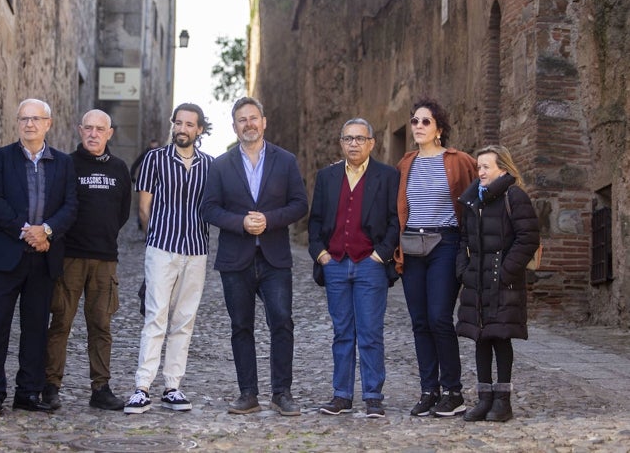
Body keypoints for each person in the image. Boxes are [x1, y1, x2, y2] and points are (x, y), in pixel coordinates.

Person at [201, 96, 308, 417]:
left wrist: (269, 220)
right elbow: (209, 208)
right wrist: (241, 223)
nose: (248, 124)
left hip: (275, 258)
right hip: (236, 259)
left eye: (253, 118)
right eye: (241, 120)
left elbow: (300, 204)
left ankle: (281, 393)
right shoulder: (220, 164)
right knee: (240, 327)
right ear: (234, 127)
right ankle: (248, 393)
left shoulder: (285, 161)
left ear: (264, 122)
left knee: (282, 323)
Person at [0, 98, 78, 416]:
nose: (29, 124)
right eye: (24, 119)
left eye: (36, 119)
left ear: (48, 123)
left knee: (35, 329)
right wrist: (26, 231)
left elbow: (71, 206)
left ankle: (28, 392)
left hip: (43, 258)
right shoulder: (1, 157)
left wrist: (46, 231)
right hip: (4, 255)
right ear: (17, 123)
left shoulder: (63, 163)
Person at [124, 103, 214, 414]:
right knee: (156, 317)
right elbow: (144, 209)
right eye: (179, 123)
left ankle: (173, 386)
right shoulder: (154, 160)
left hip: (197, 250)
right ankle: (142, 387)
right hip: (162, 248)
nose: (183, 129)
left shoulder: (210, 166)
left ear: (199, 130)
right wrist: (158, 240)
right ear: (172, 125)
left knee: (185, 320)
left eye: (190, 124)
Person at [308, 118, 400, 418]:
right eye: (348, 139)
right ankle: (342, 395)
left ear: (371, 143)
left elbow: (395, 220)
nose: (354, 144)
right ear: (341, 143)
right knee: (342, 333)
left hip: (369, 265)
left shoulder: (387, 176)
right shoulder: (327, 176)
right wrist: (321, 254)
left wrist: (380, 255)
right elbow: (315, 221)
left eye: (360, 139)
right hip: (334, 263)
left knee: (371, 332)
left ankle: (373, 395)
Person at [43, 109, 132, 411]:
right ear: (80, 130)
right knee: (60, 323)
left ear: (110, 133)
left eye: (100, 129)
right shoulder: (65, 164)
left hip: (105, 260)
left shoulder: (120, 169)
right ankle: (51, 385)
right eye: (88, 128)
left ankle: (101, 388)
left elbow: (121, 213)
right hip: (70, 257)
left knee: (101, 325)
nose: (93, 134)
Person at [395, 98, 477, 418]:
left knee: (439, 317)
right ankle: (428, 390)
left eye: (425, 122)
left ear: (439, 129)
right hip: (412, 244)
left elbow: (478, 194)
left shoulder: (459, 161)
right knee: (419, 321)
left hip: (445, 242)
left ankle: (453, 391)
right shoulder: (406, 163)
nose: (418, 126)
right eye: (415, 121)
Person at [455, 145, 540, 422]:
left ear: (502, 168)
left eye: (486, 167)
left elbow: (527, 238)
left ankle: (503, 401)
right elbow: (464, 240)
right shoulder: (473, 200)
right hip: (476, 281)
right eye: (478, 167)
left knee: (501, 338)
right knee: (481, 338)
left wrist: (505, 273)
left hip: (503, 283)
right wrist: (464, 272)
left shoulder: (514, 197)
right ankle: (484, 398)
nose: (480, 171)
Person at [130, 139, 160, 231]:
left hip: (157, 184)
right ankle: (142, 224)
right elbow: (135, 165)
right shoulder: (146, 153)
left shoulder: (161, 154)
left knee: (152, 205)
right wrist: (132, 177)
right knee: (144, 205)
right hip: (146, 182)